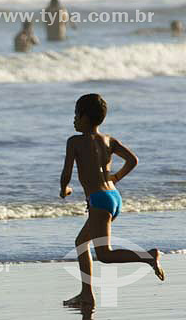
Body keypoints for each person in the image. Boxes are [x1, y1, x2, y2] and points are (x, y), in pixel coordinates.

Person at [59, 94, 164, 309]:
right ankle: (86, 295)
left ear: (85, 118)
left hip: (99, 200)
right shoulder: (109, 140)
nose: (74, 120)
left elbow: (66, 172)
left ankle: (148, 256)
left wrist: (64, 189)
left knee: (105, 254)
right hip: (113, 196)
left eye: (76, 115)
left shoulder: (75, 142)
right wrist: (115, 178)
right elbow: (133, 160)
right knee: (81, 243)